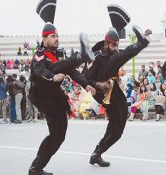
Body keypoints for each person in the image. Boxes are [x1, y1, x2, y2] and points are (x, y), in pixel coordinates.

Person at [28, 1, 96, 174]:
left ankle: (36, 167)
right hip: (40, 93)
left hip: (54, 96)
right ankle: (82, 55)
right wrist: (52, 77)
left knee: (58, 136)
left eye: (57, 36)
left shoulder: (60, 55)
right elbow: (40, 70)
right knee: (55, 67)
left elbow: (72, 72)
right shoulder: (39, 54)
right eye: (52, 36)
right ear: (44, 39)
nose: (56, 38)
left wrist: (87, 84)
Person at [82, 4, 151, 167]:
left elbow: (125, 53)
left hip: (113, 90)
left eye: (116, 45)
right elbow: (85, 79)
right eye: (113, 45)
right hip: (101, 91)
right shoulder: (96, 57)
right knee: (117, 127)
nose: (115, 48)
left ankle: (96, 153)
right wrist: (97, 84)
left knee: (117, 128)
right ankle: (143, 41)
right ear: (106, 44)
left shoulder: (111, 54)